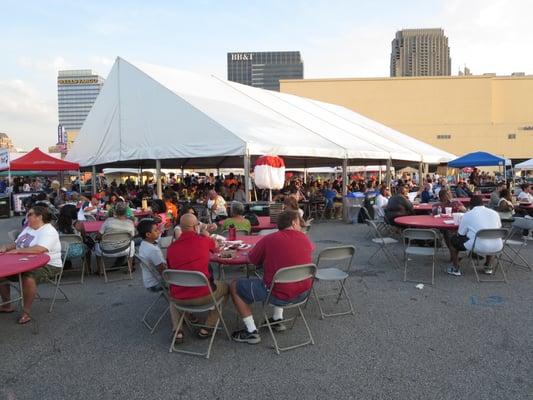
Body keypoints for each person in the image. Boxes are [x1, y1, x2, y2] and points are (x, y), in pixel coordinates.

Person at [230, 210, 314, 344]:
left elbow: (252, 260)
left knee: (235, 285)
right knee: (281, 277)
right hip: (303, 293)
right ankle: (277, 319)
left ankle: (251, 331)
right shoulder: (304, 238)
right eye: (299, 222)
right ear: (293, 223)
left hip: (277, 294)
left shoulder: (269, 239)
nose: (301, 225)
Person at [166, 213, 228, 341]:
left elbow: (171, 270)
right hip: (204, 296)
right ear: (195, 228)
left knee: (172, 297)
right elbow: (216, 246)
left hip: (180, 298)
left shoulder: (171, 248)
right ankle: (208, 327)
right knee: (227, 287)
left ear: (181, 228)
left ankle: (177, 332)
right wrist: (206, 235)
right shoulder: (203, 241)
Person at [0, 206, 62, 324]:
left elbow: (40, 249)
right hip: (23, 261)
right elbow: (17, 244)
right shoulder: (29, 228)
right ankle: (6, 305)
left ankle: (26, 312)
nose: (27, 217)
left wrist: (18, 251)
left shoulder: (48, 230)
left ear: (39, 217)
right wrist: (5, 247)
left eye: (30, 214)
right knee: (1, 273)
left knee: (28, 277)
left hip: (48, 264)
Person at [447, 196, 503, 276]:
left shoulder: (468, 214)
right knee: (490, 237)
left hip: (478, 246)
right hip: (497, 246)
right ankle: (488, 266)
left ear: (470, 205)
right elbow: (498, 227)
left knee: (453, 240)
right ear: (482, 203)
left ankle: (455, 268)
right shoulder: (494, 213)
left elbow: (461, 234)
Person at [94, 202, 135, 271]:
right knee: (132, 243)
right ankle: (130, 267)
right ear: (126, 212)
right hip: (124, 249)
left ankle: (100, 269)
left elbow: (98, 236)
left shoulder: (108, 221)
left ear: (115, 211)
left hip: (106, 250)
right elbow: (132, 236)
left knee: (96, 244)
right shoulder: (130, 223)